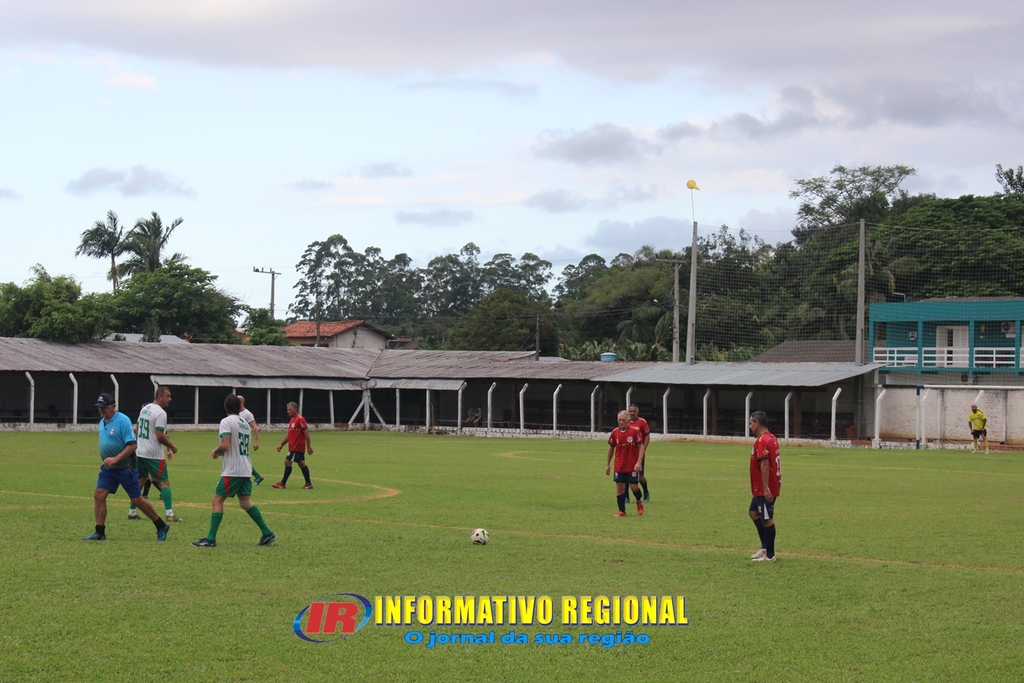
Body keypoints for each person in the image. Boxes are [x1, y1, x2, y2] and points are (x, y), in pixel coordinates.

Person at [82, 393, 170, 542]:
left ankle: (161, 525)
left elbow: (132, 445)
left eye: (104, 408)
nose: (101, 411)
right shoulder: (102, 422)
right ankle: (99, 532)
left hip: (125, 467)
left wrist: (116, 458)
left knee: (137, 500)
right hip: (109, 469)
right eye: (99, 408)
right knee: (99, 495)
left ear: (113, 406)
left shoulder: (122, 421)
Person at [192, 394, 275, 548]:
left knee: (217, 500)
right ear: (239, 407)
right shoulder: (244, 423)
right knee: (245, 502)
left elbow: (225, 445)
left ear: (225, 407)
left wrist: (216, 451)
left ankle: (210, 539)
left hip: (233, 470)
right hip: (245, 468)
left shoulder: (226, 421)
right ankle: (267, 533)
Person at [129, 386, 181, 523]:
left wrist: (140, 442)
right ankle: (169, 514)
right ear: (159, 396)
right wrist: (172, 446)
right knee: (164, 482)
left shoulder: (145, 409)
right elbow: (159, 435)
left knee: (140, 480)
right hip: (153, 454)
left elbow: (136, 429)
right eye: (168, 396)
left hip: (140, 451)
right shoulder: (160, 413)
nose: (170, 399)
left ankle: (132, 512)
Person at [748, 410, 781, 562]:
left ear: (757, 423)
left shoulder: (762, 440)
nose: (750, 427)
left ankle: (770, 555)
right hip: (761, 486)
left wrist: (766, 487)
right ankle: (764, 547)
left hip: (764, 487)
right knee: (754, 512)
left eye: (751, 423)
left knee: (767, 519)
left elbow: (765, 464)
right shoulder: (771, 438)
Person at [605, 410, 645, 517]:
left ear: (628, 420)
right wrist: (607, 464)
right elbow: (611, 448)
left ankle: (638, 501)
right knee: (619, 486)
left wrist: (639, 462)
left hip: (632, 465)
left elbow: (641, 447)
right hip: (619, 465)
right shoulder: (615, 433)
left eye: (623, 420)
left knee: (633, 487)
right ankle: (622, 510)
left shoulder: (635, 432)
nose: (621, 422)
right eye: (619, 420)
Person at [273, 401, 313, 489]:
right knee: (301, 463)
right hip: (292, 446)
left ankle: (282, 483)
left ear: (295, 409)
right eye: (287, 410)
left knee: (287, 461)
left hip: (297, 446)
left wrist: (309, 446)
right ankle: (308, 484)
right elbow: (289, 435)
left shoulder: (300, 419)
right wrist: (282, 444)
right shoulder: (292, 420)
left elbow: (306, 433)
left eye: (290, 410)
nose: (288, 411)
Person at [237, 394, 265, 485]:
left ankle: (257, 476)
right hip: (236, 440)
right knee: (240, 459)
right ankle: (256, 476)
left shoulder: (247, 414)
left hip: (243, 441)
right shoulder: (236, 413)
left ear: (241, 402)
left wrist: (256, 441)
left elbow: (254, 427)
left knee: (243, 459)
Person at [628, 404, 651, 502]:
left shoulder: (642, 422)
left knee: (640, 477)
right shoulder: (625, 422)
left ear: (637, 412)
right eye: (630, 411)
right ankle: (625, 497)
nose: (632, 413)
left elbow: (647, 436)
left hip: (639, 455)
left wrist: (643, 449)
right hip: (628, 455)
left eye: (634, 411)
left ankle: (646, 491)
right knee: (626, 477)